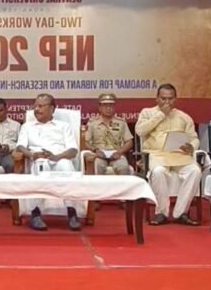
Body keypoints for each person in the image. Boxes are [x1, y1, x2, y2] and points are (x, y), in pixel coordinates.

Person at [135, 83, 201, 226]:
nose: (167, 102)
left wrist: (191, 146)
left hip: (179, 155)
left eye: (170, 99)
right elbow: (140, 131)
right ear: (157, 98)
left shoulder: (184, 117)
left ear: (175, 99)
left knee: (195, 171)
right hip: (157, 155)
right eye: (163, 99)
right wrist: (161, 115)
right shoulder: (147, 113)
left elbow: (194, 138)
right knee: (158, 171)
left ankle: (181, 212)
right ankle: (161, 213)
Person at [15, 93, 80, 231]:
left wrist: (57, 157)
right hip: (38, 158)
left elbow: (73, 150)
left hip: (59, 158)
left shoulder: (63, 126)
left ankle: (72, 213)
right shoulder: (27, 126)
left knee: (67, 167)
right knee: (40, 167)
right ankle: (35, 214)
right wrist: (32, 155)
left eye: (40, 106)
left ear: (52, 109)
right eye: (35, 106)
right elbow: (20, 146)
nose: (36, 109)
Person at [84, 93, 134, 175]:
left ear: (114, 107)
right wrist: (95, 150)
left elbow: (129, 142)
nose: (108, 108)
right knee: (97, 166)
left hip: (116, 153)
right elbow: (85, 142)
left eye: (111, 105)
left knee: (123, 166)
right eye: (105, 105)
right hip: (98, 154)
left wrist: (120, 152)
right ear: (100, 107)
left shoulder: (121, 122)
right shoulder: (92, 123)